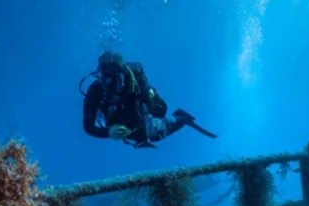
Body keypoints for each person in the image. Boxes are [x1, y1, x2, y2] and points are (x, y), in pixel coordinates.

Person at [81, 51, 215, 148]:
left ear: (124, 74)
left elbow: (159, 111)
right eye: (108, 78)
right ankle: (139, 135)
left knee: (155, 132)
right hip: (117, 123)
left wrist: (146, 98)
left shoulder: (135, 81)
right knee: (137, 135)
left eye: (117, 77)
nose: (113, 84)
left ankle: (180, 119)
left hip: (139, 115)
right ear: (100, 76)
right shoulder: (95, 92)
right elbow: (88, 127)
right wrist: (108, 133)